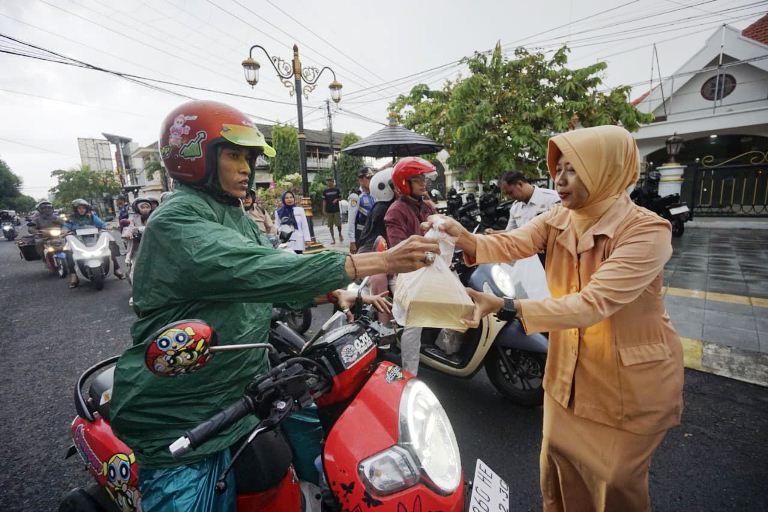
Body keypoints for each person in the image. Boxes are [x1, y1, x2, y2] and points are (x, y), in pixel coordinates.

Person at [108, 100, 438, 511]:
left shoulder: (237, 216)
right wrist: (382, 261)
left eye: (249, 157)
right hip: (184, 413)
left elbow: (271, 283)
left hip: (248, 387)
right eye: (234, 155)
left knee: (324, 439)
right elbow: (262, 268)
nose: (246, 168)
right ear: (194, 157)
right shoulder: (176, 222)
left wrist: (335, 293)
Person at [428, 125, 684, 511]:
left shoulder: (647, 231)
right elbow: (514, 241)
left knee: (615, 484)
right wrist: (465, 237)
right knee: (558, 469)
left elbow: (592, 304)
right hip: (567, 374)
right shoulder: (559, 216)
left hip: (628, 385)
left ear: (604, 169)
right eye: (557, 169)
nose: (559, 180)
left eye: (572, 169)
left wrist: (505, 306)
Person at [385, 157, 438, 376]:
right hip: (405, 274)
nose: (423, 183)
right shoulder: (395, 212)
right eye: (417, 180)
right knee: (414, 322)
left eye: (424, 179)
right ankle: (409, 374)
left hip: (430, 268)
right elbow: (400, 250)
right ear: (404, 183)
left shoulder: (426, 206)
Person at [62, 198, 125, 288]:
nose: (81, 210)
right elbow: (65, 227)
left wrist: (106, 227)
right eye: (79, 208)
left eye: (83, 208)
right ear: (75, 209)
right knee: (68, 252)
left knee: (109, 247)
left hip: (94, 238)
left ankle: (116, 269)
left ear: (86, 209)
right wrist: (65, 231)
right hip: (77, 240)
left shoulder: (91, 216)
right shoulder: (70, 219)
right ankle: (74, 275)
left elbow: (101, 224)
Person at [484, 171, 560, 235]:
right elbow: (511, 232)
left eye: (510, 192)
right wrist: (494, 233)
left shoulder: (553, 199)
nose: (509, 197)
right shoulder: (515, 207)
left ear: (520, 184)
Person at [122, 197, 153, 286]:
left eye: (147, 207)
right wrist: (129, 233)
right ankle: (135, 294)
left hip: (153, 247)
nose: (145, 209)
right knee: (135, 271)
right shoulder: (132, 218)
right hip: (137, 249)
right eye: (142, 207)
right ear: (137, 208)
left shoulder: (153, 216)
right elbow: (129, 227)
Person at [348, 167, 376, 254]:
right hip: (360, 234)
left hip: (372, 233)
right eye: (368, 177)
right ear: (361, 179)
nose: (371, 179)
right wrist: (352, 241)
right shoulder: (355, 196)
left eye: (372, 177)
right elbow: (351, 220)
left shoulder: (373, 194)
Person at [322, 177, 343, 244]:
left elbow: (341, 198)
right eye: (327, 181)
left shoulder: (337, 190)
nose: (328, 182)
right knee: (330, 226)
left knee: (339, 224)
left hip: (336, 210)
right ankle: (333, 239)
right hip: (329, 210)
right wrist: (323, 209)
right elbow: (324, 201)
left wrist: (337, 199)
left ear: (332, 182)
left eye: (330, 181)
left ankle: (340, 234)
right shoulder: (325, 191)